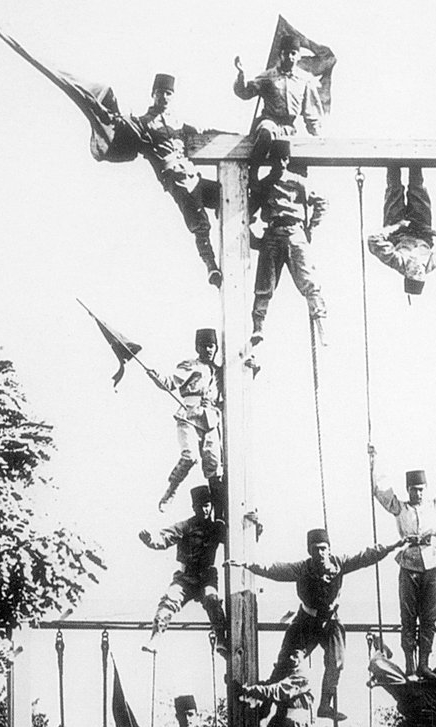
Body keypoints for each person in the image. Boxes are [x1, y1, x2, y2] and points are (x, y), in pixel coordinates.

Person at [230, 529, 407, 720]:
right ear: (309, 551)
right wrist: (247, 565)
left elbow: (366, 556)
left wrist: (394, 546)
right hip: (306, 623)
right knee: (288, 664)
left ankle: (325, 705)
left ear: (329, 550)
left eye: (323, 549)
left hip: (330, 622)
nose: (320, 554)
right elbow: (274, 570)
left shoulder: (340, 563)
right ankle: (263, 705)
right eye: (315, 550)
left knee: (336, 663)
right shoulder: (302, 568)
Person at [370, 444, 436, 676]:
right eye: (413, 490)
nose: (417, 494)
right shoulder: (400, 508)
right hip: (409, 562)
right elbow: (381, 490)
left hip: (432, 562)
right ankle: (410, 663)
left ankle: (424, 663)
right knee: (408, 616)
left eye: (421, 489)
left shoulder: (435, 505)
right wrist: (374, 460)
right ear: (408, 490)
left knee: (429, 616)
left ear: (425, 489)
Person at [133, 74, 222, 286]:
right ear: (153, 94)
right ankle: (211, 265)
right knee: (200, 222)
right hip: (175, 178)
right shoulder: (143, 123)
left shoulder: (178, 123)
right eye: (161, 93)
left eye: (169, 93)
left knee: (225, 194)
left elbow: (203, 133)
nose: (164, 97)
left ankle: (250, 236)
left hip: (192, 174)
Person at [249, 139, 328, 348]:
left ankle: (321, 322)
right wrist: (252, 237)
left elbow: (321, 202)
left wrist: (310, 228)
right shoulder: (264, 184)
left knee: (308, 280)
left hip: (295, 233)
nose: (281, 164)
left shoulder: (298, 182)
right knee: (264, 284)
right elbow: (246, 211)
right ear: (271, 161)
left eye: (284, 159)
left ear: (287, 159)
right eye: (277, 160)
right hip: (273, 234)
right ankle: (258, 326)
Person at [140, 485, 227, 655]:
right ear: (194, 508)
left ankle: (221, 639)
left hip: (206, 576)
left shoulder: (216, 528)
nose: (205, 509)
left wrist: (255, 529)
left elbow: (238, 535)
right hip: (186, 577)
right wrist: (150, 540)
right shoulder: (186, 526)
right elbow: (165, 537)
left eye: (208, 505)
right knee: (169, 600)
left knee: (212, 600)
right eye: (201, 506)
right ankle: (156, 636)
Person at [146, 327, 224, 515]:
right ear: (197, 347)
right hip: (190, 414)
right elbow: (170, 382)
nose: (208, 350)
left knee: (214, 467)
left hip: (210, 419)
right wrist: (156, 377)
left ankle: (219, 513)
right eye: (204, 346)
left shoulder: (221, 372)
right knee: (190, 457)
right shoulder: (190, 365)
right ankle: (170, 491)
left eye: (211, 346)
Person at [234, 35, 323, 186]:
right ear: (280, 54)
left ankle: (265, 189)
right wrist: (241, 75)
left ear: (298, 55)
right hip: (269, 120)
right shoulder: (268, 77)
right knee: (266, 132)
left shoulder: (304, 80)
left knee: (281, 168)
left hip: (288, 128)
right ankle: (253, 172)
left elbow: (311, 113)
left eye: (293, 53)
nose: (289, 57)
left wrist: (318, 137)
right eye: (285, 53)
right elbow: (244, 92)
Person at [367, 167, 436, 298]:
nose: (418, 271)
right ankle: (416, 162)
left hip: (398, 231)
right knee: (418, 189)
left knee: (394, 190)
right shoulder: (430, 263)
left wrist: (396, 226)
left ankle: (392, 161)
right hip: (422, 231)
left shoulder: (397, 262)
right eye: (421, 275)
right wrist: (432, 231)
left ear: (406, 274)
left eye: (414, 274)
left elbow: (373, 240)